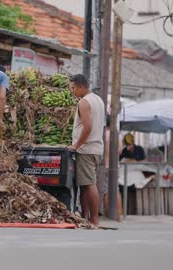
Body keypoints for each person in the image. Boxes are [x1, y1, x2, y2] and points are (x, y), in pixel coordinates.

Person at [68, 74, 105, 226]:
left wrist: (76, 146)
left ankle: (94, 219)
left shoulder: (84, 102)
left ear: (82, 86)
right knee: (85, 184)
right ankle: (85, 217)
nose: (72, 91)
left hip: (87, 149)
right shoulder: (99, 100)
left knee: (89, 183)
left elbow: (87, 127)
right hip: (96, 148)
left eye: (74, 88)